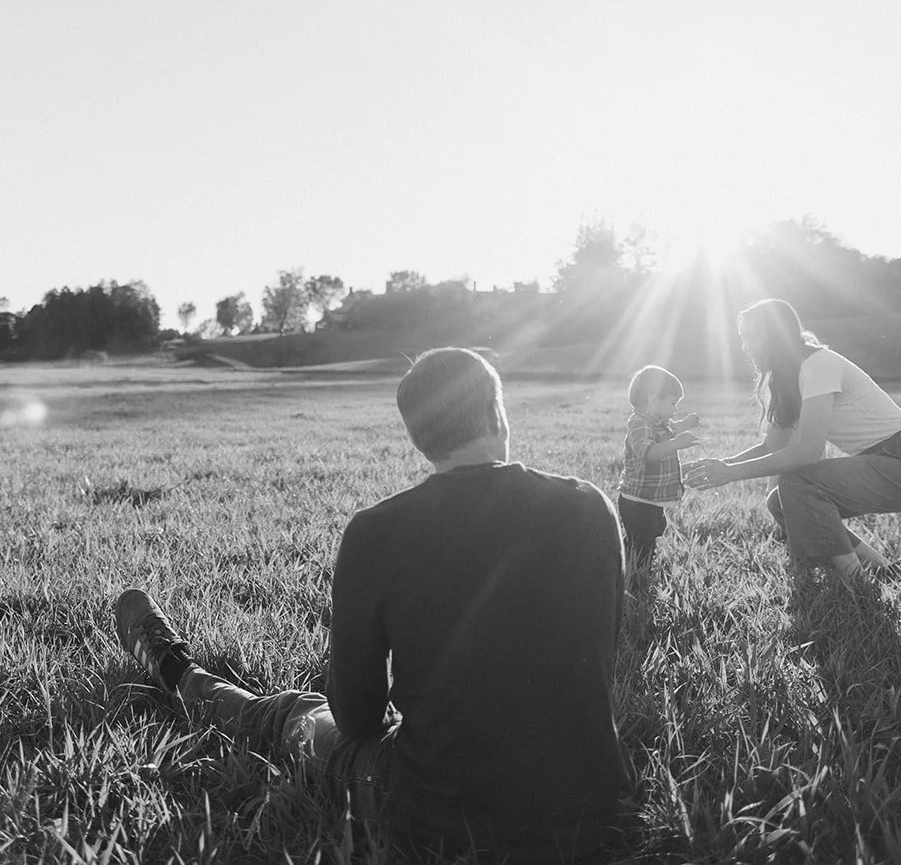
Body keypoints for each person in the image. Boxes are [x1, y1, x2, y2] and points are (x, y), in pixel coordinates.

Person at [114, 347, 633, 862]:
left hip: (435, 813)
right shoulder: (591, 507)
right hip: (593, 808)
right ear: (498, 414)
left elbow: (358, 720)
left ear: (418, 437)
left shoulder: (376, 531)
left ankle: (176, 670)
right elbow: (597, 662)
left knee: (291, 714)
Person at [683, 298, 901, 588]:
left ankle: (856, 585)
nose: (746, 346)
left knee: (797, 483)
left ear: (776, 335)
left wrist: (732, 474)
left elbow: (808, 452)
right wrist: (721, 466)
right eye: (743, 339)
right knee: (781, 501)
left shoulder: (818, 365)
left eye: (752, 337)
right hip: (885, 463)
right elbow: (774, 446)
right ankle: (881, 569)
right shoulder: (789, 378)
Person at [616, 365, 699, 572]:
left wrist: (685, 424)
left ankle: (628, 559)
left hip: (650, 498)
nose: (675, 409)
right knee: (643, 542)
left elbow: (671, 429)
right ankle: (637, 575)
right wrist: (676, 444)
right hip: (637, 501)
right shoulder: (639, 424)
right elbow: (649, 452)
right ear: (653, 400)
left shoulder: (660, 422)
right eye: (673, 403)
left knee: (653, 531)